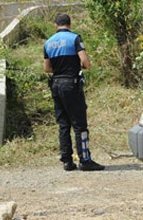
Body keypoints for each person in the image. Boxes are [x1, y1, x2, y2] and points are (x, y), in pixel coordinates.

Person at [44, 13, 105, 172]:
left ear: (56, 25)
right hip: (72, 85)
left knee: (63, 124)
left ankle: (67, 161)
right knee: (79, 125)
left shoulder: (48, 43)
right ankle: (85, 160)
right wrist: (80, 67)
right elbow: (85, 63)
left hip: (56, 85)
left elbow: (47, 68)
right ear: (69, 25)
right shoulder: (75, 38)